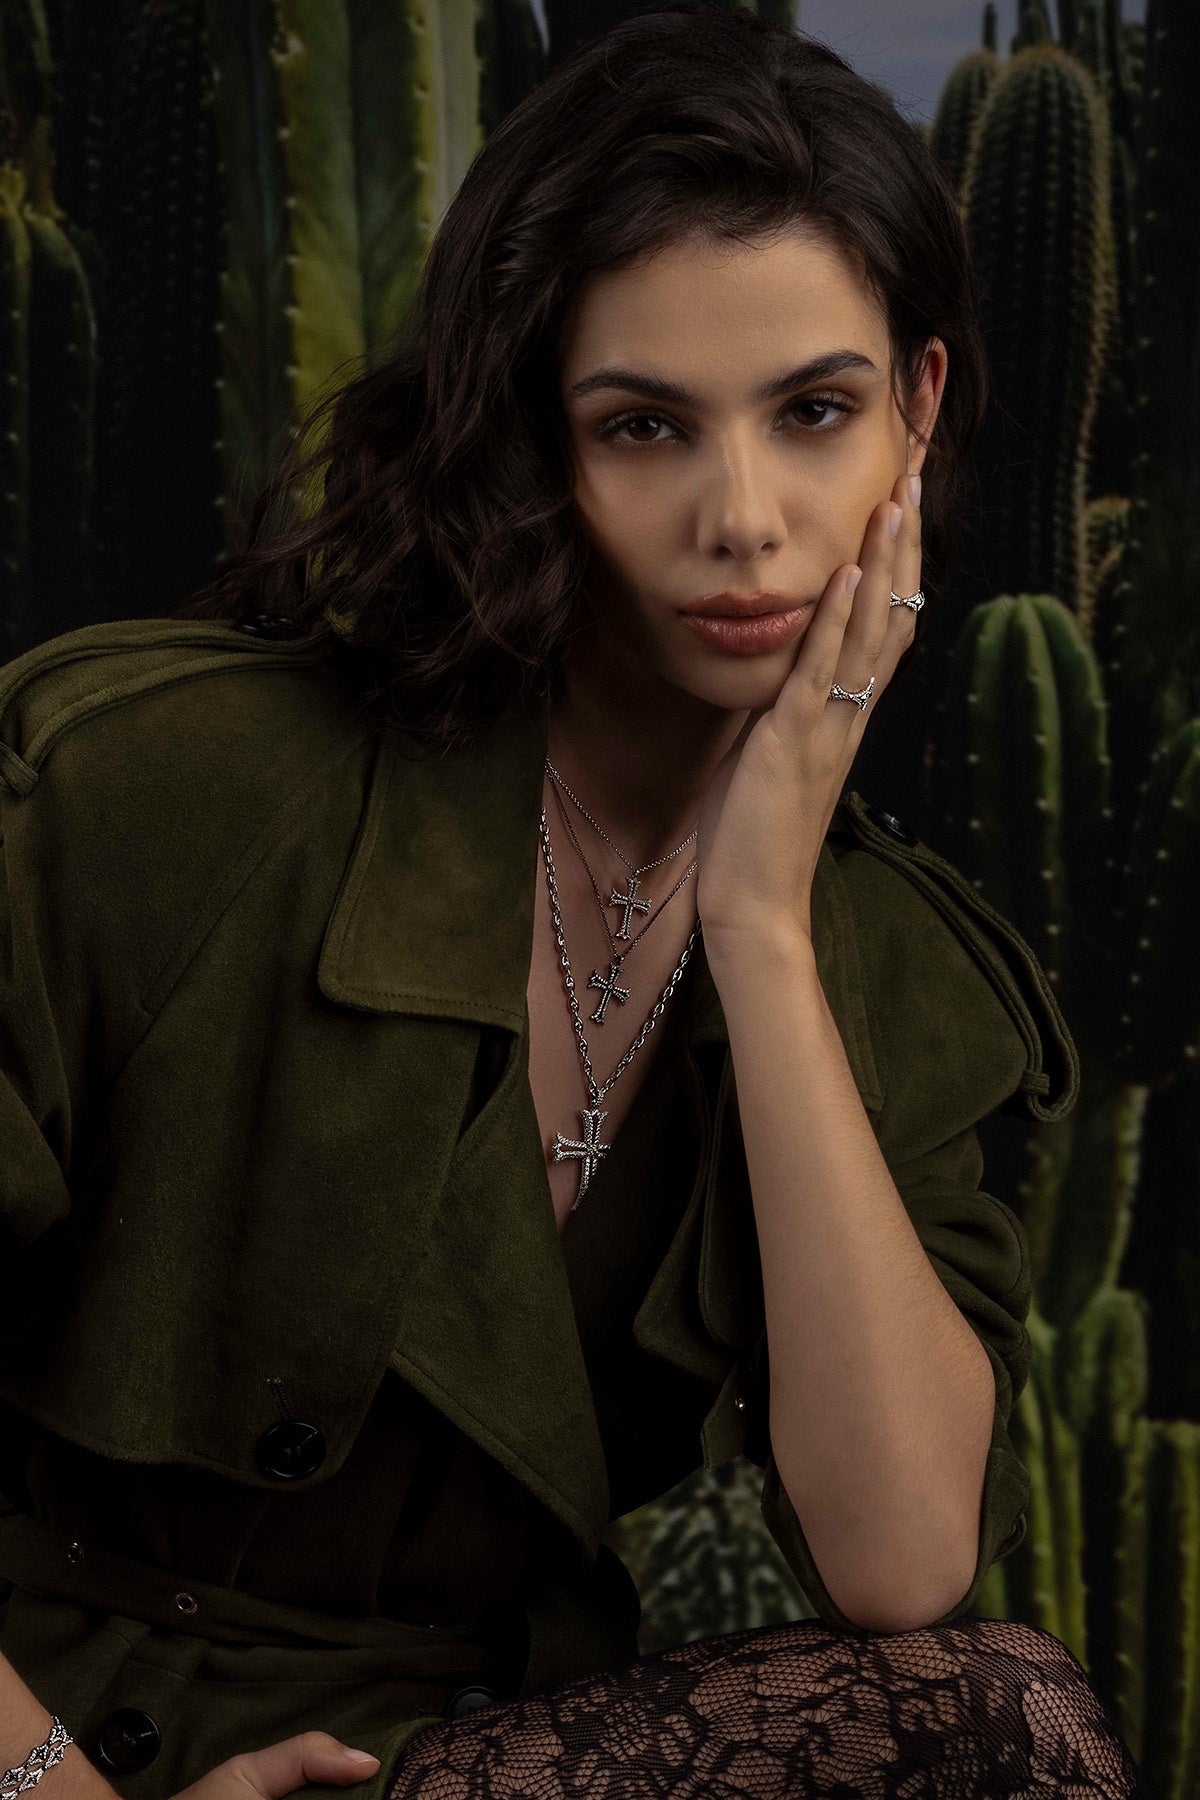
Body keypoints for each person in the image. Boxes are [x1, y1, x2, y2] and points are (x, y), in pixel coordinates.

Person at [0, 7, 1145, 1797]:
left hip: (443, 1764)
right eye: (645, 428)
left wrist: (762, 925)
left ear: (917, 414)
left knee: (994, 1714)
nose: (747, 521)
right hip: (46, 1728)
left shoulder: (885, 964)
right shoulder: (165, 785)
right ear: (536, 430)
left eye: (816, 413)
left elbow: (905, 1555)